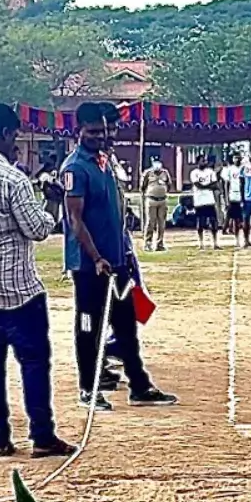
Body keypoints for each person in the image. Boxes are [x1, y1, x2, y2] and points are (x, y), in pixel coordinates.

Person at [0, 102, 75, 459]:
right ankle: (42, 435)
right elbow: (37, 229)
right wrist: (52, 205)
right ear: (6, 134)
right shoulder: (12, 178)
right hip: (17, 288)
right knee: (33, 362)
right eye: (15, 136)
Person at [61, 101, 177, 412]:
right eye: (92, 132)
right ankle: (88, 388)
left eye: (102, 131)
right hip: (90, 266)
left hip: (117, 261)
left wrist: (121, 252)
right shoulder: (75, 168)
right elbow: (75, 219)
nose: (100, 136)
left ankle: (139, 386)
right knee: (88, 326)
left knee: (126, 324)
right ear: (79, 131)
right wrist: (96, 256)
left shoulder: (104, 162)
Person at [140, 156, 172, 252]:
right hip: (151, 200)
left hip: (162, 200)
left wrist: (163, 191)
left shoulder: (165, 173)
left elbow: (169, 184)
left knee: (161, 223)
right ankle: (148, 243)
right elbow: (143, 186)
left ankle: (160, 243)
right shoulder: (147, 173)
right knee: (150, 222)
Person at [189, 155, 221, 250]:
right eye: (203, 161)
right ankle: (201, 243)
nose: (205, 162)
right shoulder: (194, 173)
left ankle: (215, 243)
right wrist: (209, 186)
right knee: (200, 222)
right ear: (198, 162)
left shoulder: (210, 172)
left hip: (210, 200)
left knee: (213, 222)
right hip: (199, 201)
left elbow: (215, 184)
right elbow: (198, 185)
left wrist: (205, 186)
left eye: (205, 161)